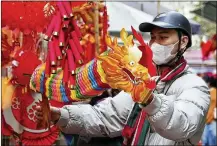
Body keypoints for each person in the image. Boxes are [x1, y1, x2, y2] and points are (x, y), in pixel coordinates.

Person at [36, 11, 210, 146]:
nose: (155, 43)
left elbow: (182, 126)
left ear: (184, 41)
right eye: (153, 38)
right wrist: (60, 115)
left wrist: (150, 100)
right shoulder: (147, 81)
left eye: (163, 37)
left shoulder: (194, 86)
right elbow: (105, 118)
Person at [202, 74, 216, 146]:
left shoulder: (214, 92)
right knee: (205, 141)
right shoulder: (203, 93)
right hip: (204, 121)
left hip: (213, 120)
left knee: (212, 140)